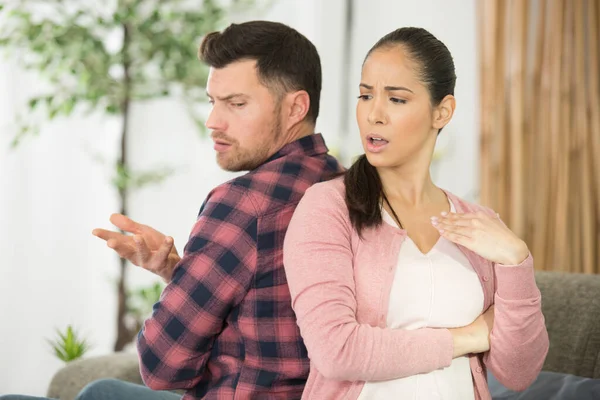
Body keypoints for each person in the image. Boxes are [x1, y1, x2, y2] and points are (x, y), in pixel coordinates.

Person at [0, 20, 342, 400]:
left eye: (236, 104)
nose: (214, 122)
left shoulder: (245, 203)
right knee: (102, 390)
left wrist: (180, 285)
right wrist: (174, 270)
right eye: (213, 102)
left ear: (296, 106)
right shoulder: (342, 183)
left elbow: (163, 368)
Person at [282, 27, 549, 400]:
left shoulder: (480, 225)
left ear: (443, 111)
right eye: (365, 95)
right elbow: (336, 351)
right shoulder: (326, 207)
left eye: (396, 99)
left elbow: (519, 372)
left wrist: (517, 261)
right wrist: (468, 337)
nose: (374, 114)